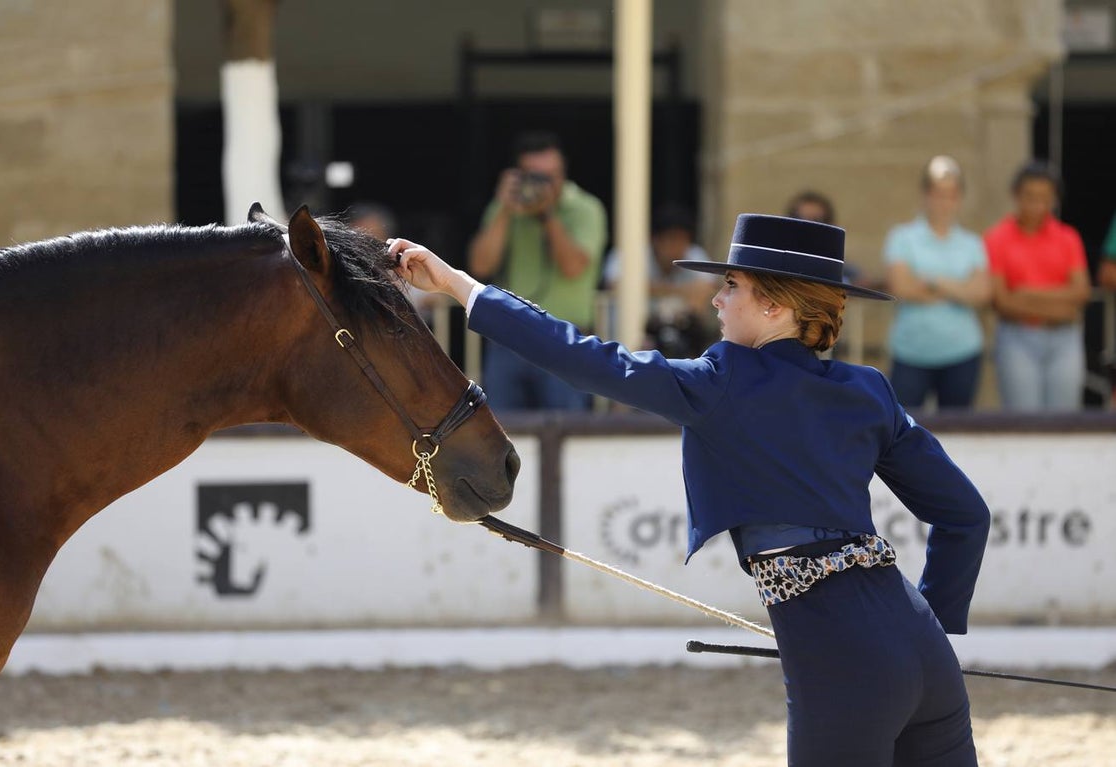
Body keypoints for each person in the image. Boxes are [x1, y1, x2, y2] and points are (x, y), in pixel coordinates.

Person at [390, 214, 990, 766]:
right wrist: (930, 627)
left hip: (844, 662)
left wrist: (460, 286)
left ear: (776, 307)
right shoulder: (870, 390)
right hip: (924, 646)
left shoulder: (720, 382)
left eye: (732, 285)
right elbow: (966, 516)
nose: (716, 297)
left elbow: (583, 357)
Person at [468, 130, 607, 410]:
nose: (542, 185)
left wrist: (548, 216)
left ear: (563, 173)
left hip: (564, 339)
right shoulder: (506, 208)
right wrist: (505, 209)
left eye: (549, 176)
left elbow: (573, 267)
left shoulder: (585, 208)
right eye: (534, 176)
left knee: (567, 432)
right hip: (509, 338)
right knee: (502, 435)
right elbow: (480, 265)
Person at [883, 156, 991, 409]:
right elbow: (901, 287)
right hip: (911, 350)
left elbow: (982, 294)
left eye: (951, 194)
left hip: (962, 351)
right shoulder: (902, 237)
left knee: (959, 429)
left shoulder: (972, 243)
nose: (943, 201)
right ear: (925, 195)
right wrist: (959, 289)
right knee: (904, 427)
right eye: (937, 193)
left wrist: (933, 281)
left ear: (959, 198)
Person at [984, 161, 1091, 411]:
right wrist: (1062, 307)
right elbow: (1002, 301)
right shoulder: (997, 238)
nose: (1037, 205)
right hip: (1017, 337)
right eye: (1030, 197)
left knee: (1065, 419)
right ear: (1016, 196)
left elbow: (1082, 291)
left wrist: (1026, 294)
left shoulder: (1068, 237)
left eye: (1045, 198)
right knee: (1024, 419)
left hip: (1064, 339)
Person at [602, 203, 714, 357]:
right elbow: (614, 285)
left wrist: (652, 290)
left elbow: (708, 288)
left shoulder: (694, 255)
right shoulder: (632, 252)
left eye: (682, 240)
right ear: (654, 239)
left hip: (682, 342)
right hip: (633, 343)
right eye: (671, 239)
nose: (677, 247)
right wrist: (678, 291)